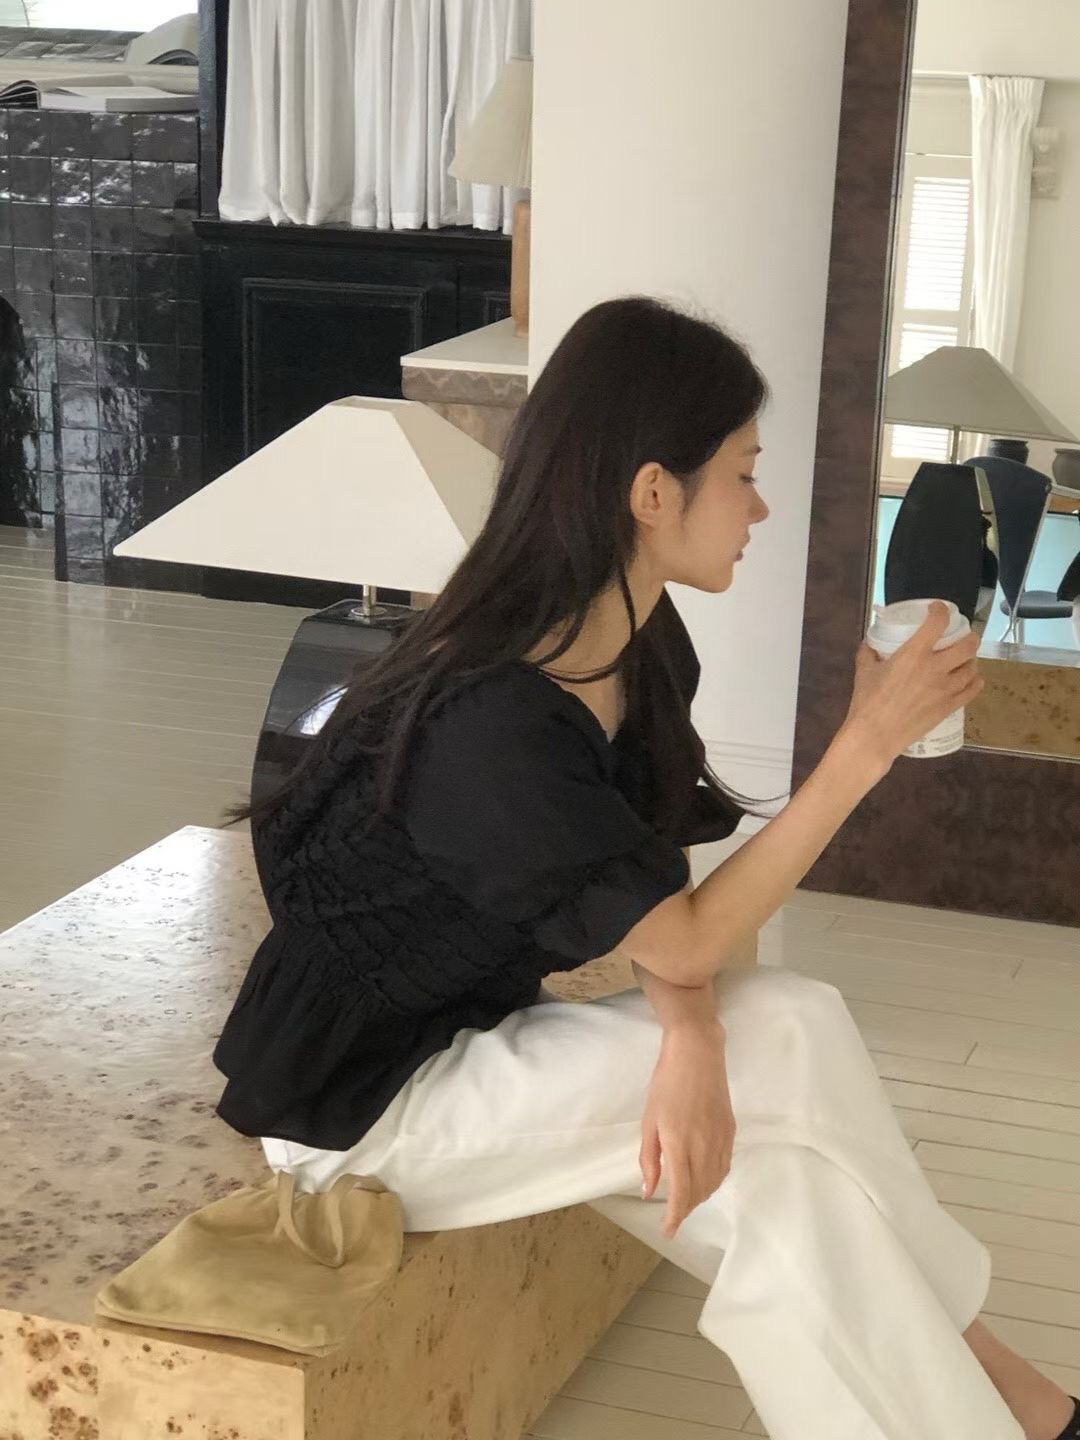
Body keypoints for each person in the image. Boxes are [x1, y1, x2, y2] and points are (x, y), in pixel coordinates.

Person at [214, 297, 1077, 1440]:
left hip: (470, 1039)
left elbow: (652, 879)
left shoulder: (635, 643)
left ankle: (1017, 1412)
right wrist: (865, 745)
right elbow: (687, 936)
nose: (758, 507)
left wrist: (693, 1038)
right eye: (743, 475)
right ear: (653, 492)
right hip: (361, 1111)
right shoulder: (492, 725)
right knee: (797, 1030)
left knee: (784, 1195)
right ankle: (1021, 1396)